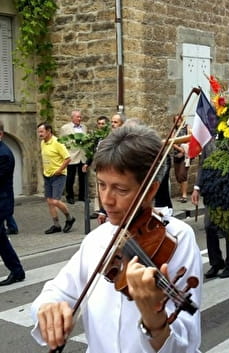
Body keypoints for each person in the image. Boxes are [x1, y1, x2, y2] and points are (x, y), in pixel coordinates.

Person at [31, 124, 202, 353]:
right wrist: (49, 307)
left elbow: (187, 343)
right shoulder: (97, 239)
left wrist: (155, 320)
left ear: (150, 191)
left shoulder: (177, 238)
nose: (106, 200)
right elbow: (58, 290)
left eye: (120, 190)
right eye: (102, 185)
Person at [191, 138, 229, 279]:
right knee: (209, 226)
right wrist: (197, 187)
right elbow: (202, 165)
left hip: (228, 190)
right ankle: (216, 262)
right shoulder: (207, 139)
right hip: (211, 191)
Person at [37, 123, 76, 234]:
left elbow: (68, 158)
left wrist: (59, 170)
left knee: (55, 201)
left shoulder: (57, 143)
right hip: (47, 175)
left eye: (41, 131)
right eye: (39, 132)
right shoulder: (42, 143)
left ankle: (70, 218)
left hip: (58, 175)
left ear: (49, 131)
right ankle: (56, 225)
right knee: (50, 201)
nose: (40, 134)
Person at [0, 121, 25, 286]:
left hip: (1, 202)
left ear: (1, 134)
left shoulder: (4, 154)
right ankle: (17, 271)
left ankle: (17, 271)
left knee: (1, 239)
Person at [59, 110, 88, 204]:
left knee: (82, 177)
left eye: (80, 117)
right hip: (71, 156)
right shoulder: (65, 128)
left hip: (82, 156)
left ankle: (82, 196)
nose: (79, 119)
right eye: (77, 117)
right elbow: (61, 142)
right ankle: (70, 196)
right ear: (72, 118)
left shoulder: (84, 127)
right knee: (70, 178)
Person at [172, 115, 191, 203]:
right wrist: (180, 149)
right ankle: (182, 194)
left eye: (179, 119)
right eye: (176, 120)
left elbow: (190, 138)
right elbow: (172, 142)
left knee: (183, 174)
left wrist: (184, 149)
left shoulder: (187, 127)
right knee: (178, 176)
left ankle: (184, 195)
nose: (178, 121)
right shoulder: (174, 130)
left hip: (185, 155)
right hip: (176, 155)